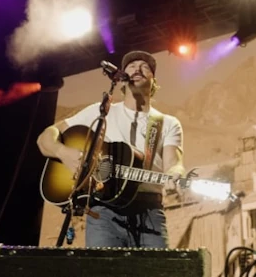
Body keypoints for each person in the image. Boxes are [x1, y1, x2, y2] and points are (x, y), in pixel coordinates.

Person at [37, 50, 184, 248]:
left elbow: (174, 164)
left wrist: (176, 176)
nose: (137, 69)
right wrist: (64, 153)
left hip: (149, 211)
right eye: (131, 66)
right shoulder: (100, 113)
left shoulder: (167, 123)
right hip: (103, 213)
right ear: (122, 79)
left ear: (154, 80)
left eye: (145, 66)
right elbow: (45, 138)